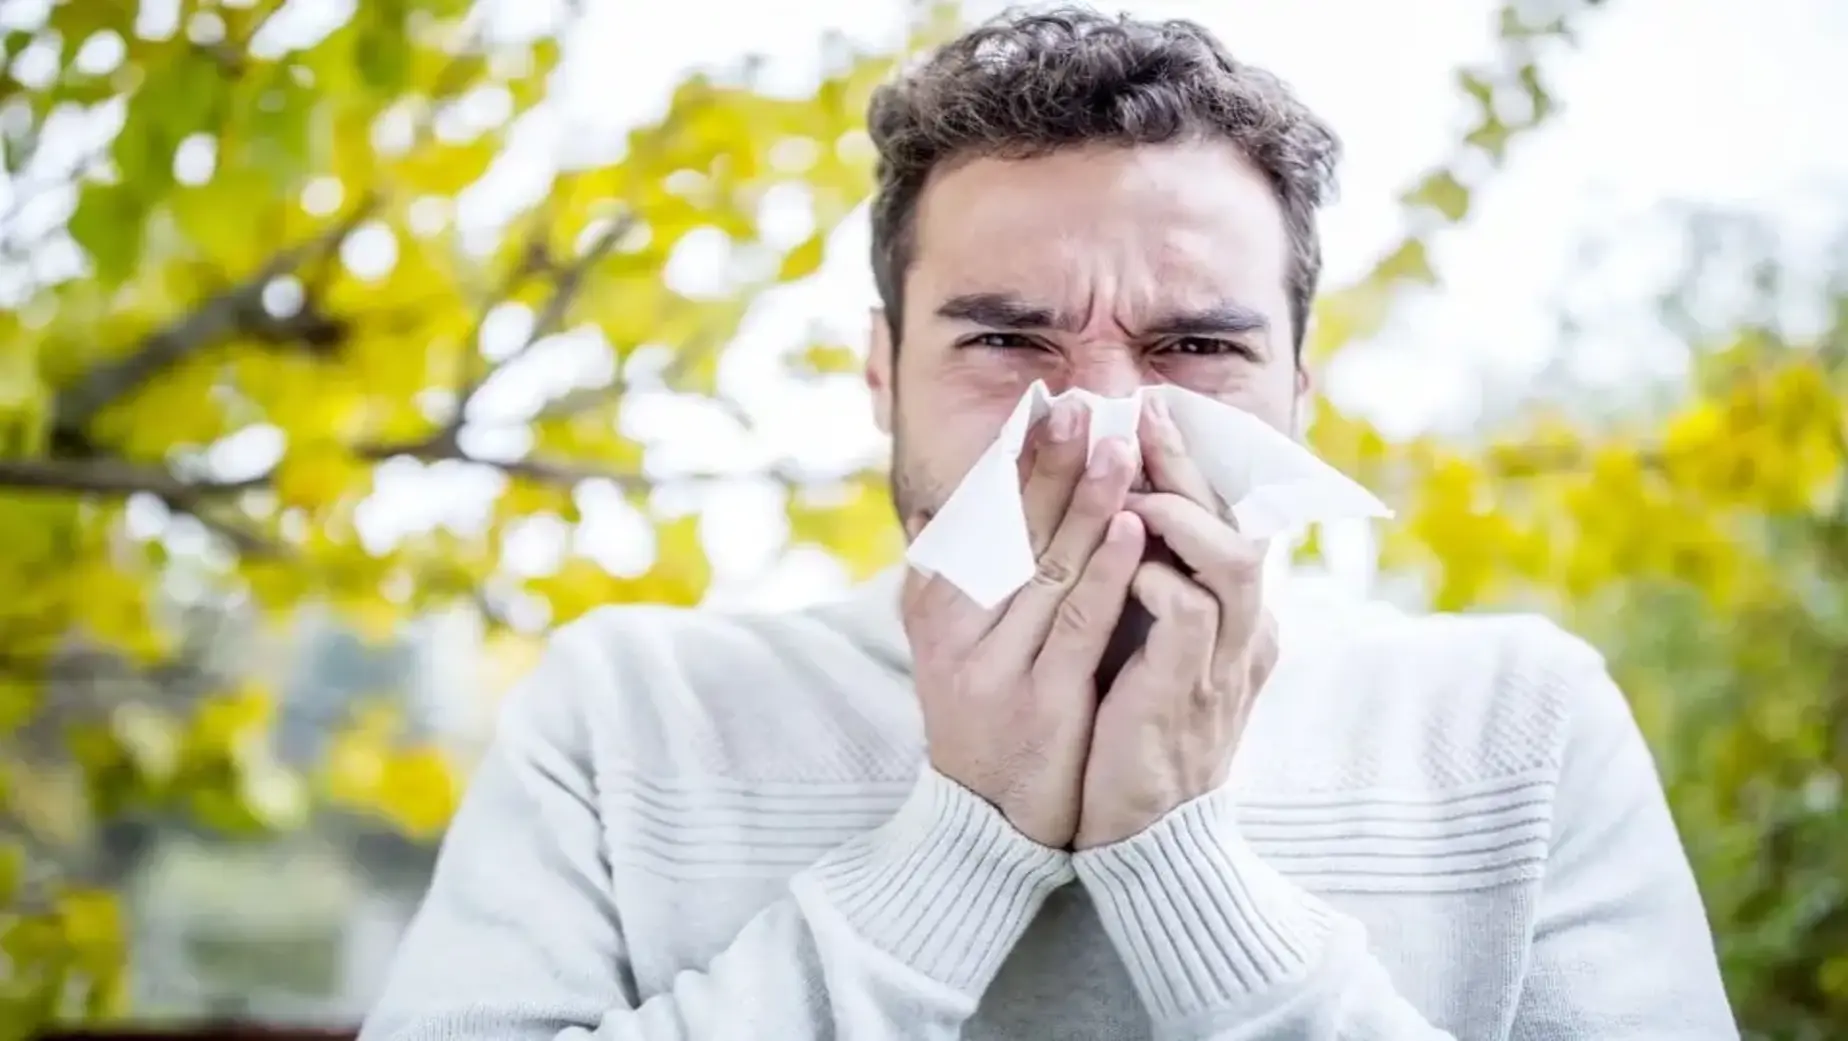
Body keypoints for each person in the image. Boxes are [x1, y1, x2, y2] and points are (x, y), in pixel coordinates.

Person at [358, 8, 1738, 1040]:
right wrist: (965, 841)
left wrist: (1181, 860)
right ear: (877, 378)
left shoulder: (1515, 724)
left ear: (1302, 395)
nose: (1100, 423)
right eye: (1009, 340)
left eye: (1196, 345)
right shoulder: (632, 714)